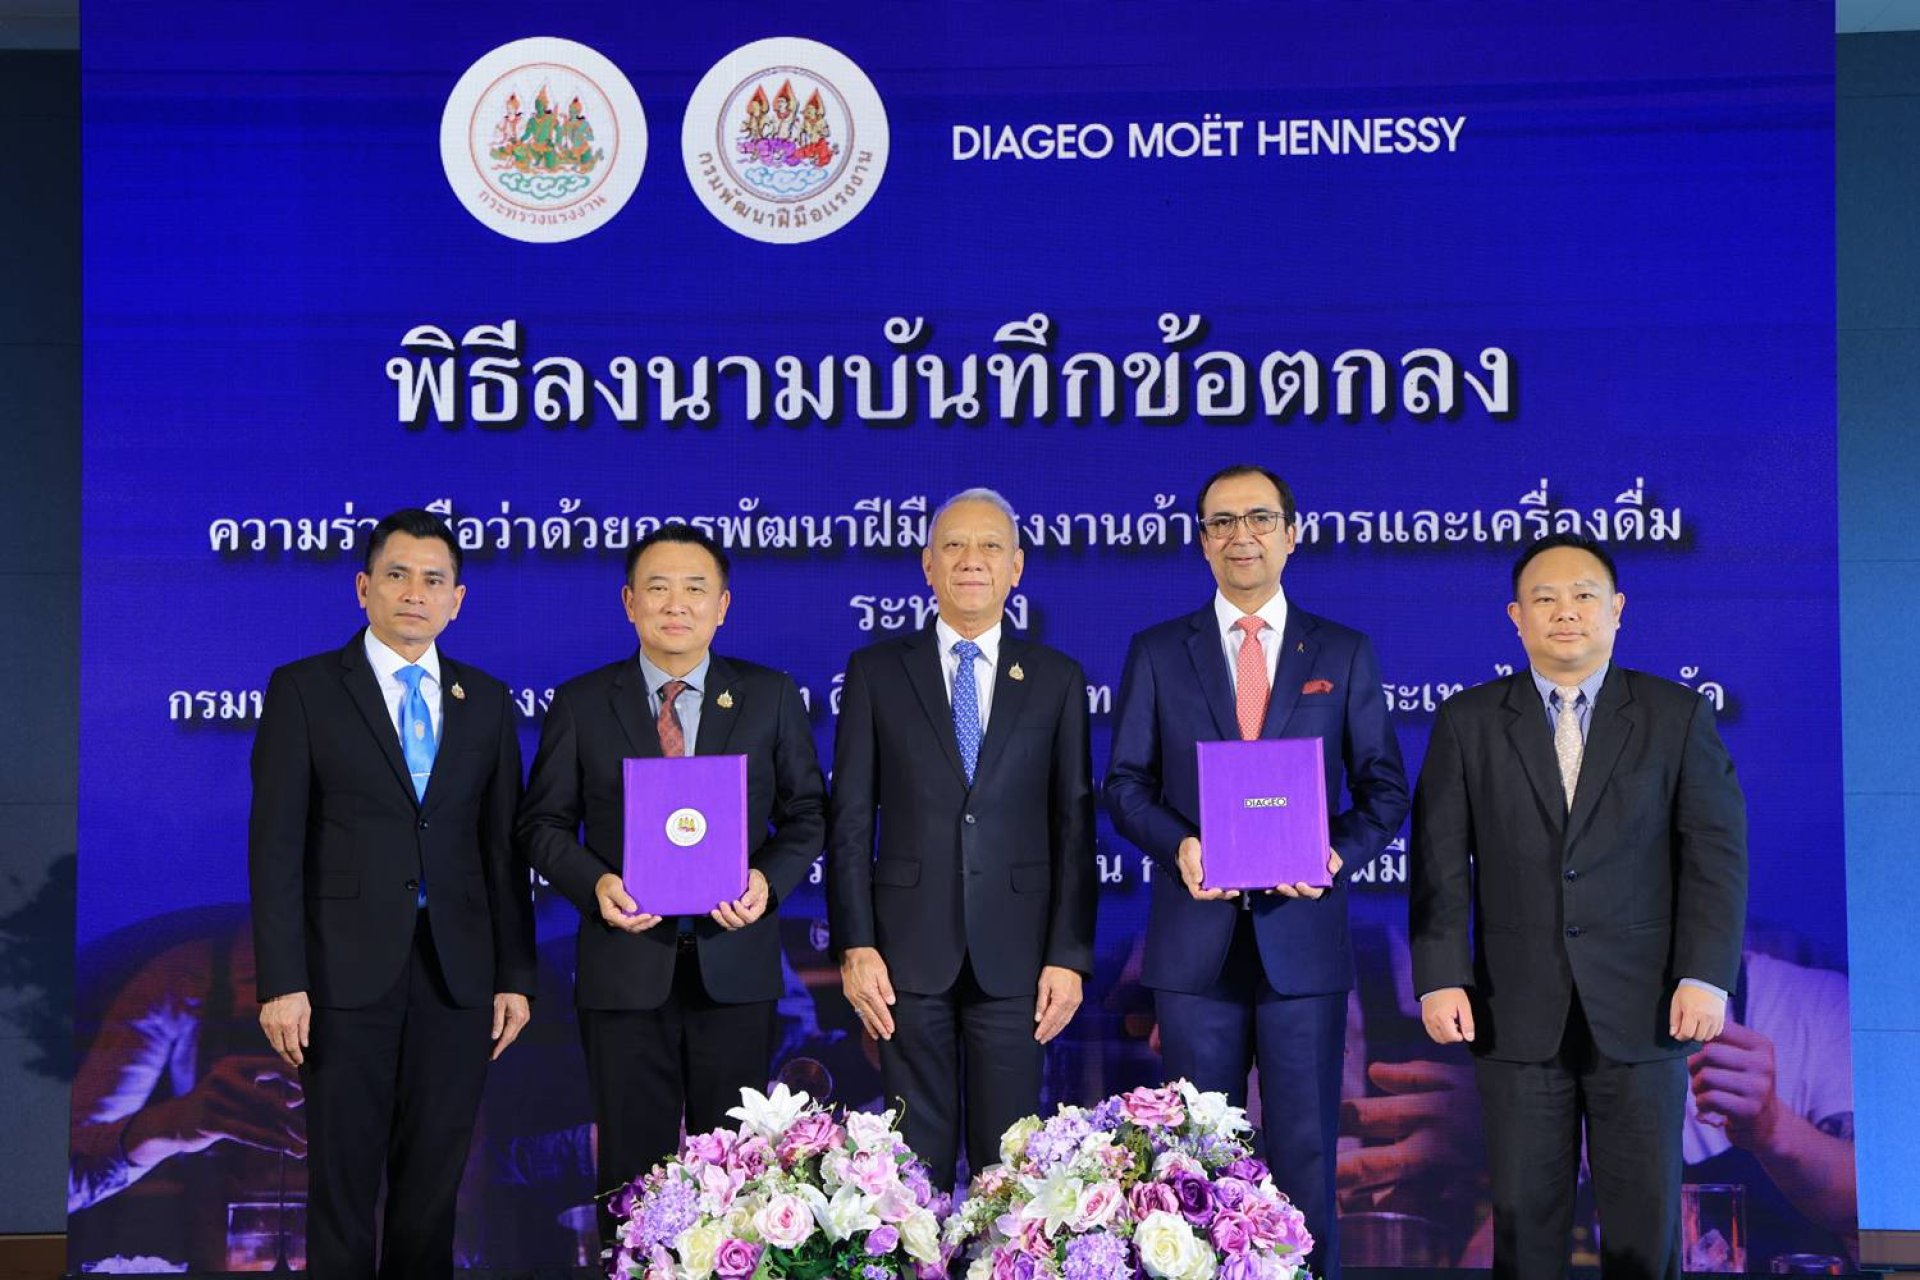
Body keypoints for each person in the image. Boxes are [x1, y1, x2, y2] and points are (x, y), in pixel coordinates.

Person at [1409, 531, 1748, 1280]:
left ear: (1617, 609)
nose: (1566, 612)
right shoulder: (1469, 720)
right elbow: (1438, 863)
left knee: (1643, 1234)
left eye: (1584, 595)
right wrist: (1440, 975)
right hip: (1513, 1010)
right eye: (1545, 598)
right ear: (1516, 617)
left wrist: (1704, 974)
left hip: (1647, 1009)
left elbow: (1714, 856)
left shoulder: (1675, 716)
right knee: (1526, 1234)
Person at [1105, 463, 1408, 1280]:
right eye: (1223, 522)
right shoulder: (1158, 652)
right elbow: (1125, 785)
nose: (1242, 535)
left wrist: (1333, 853)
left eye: (1260, 519)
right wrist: (1181, 845)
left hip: (1300, 941)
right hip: (1194, 943)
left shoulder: (1341, 651)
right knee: (1194, 1162)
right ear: (1203, 542)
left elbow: (1384, 788)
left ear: (1291, 534)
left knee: (1306, 1153)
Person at [516, 523, 825, 1249]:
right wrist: (595, 884)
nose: (675, 604)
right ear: (629, 603)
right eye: (657, 588)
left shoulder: (769, 696)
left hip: (734, 968)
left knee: (737, 1176)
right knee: (632, 1175)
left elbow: (809, 814)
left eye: (695, 588)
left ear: (723, 606)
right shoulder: (583, 702)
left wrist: (767, 879)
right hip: (625, 972)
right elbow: (541, 824)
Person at [249, 507, 535, 1280]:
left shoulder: (486, 700)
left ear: (457, 600)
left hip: (457, 976)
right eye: (398, 575)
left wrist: (514, 974)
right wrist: (282, 980)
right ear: (363, 587)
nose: (415, 593)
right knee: (341, 1188)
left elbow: (502, 850)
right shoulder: (306, 690)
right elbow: (274, 846)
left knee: (433, 1190)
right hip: (341, 976)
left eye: (433, 580)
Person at [828, 487, 1096, 1191]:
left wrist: (1068, 955)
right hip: (904, 957)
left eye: (989, 547)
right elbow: (849, 820)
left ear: (1016, 568)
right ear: (927, 565)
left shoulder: (1056, 678)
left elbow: (1074, 826)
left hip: (1019, 958)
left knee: (1009, 1171)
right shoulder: (877, 672)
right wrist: (856, 945)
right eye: (953, 545)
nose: (971, 560)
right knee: (910, 1174)